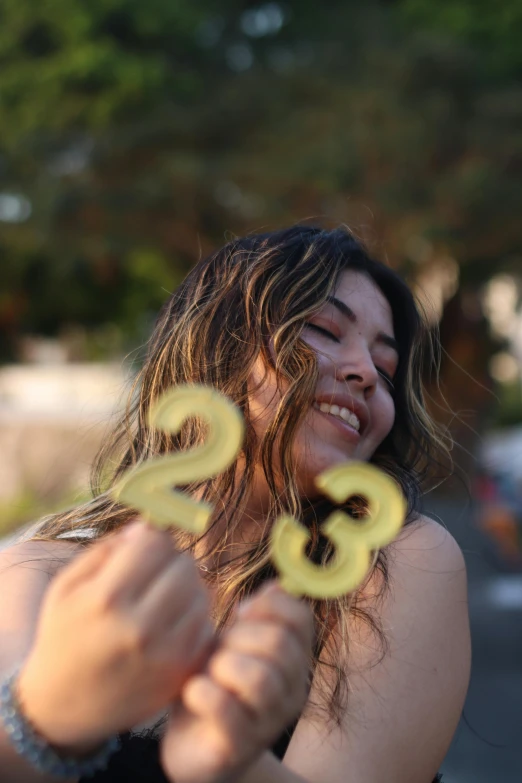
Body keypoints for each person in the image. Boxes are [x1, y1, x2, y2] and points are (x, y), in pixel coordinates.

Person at [0, 226, 471, 783]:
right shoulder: (44, 572)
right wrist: (52, 713)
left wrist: (235, 764)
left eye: (386, 370)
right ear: (213, 348)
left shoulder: (398, 566)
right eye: (322, 329)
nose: (366, 373)